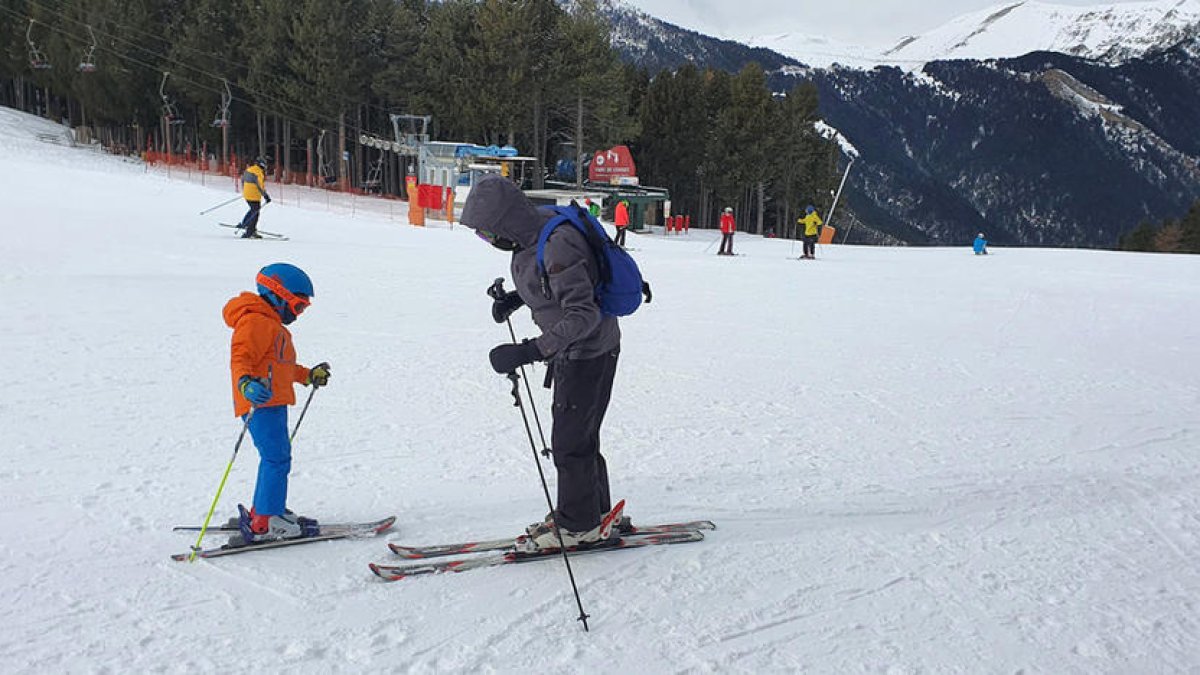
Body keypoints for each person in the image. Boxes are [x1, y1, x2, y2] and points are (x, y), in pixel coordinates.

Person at [460, 175, 625, 550]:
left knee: (569, 442)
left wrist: (529, 351)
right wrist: (518, 299)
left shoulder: (556, 242)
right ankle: (593, 513)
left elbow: (583, 314)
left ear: (506, 221)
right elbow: (557, 282)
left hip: (587, 351)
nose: (488, 241)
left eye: (488, 233)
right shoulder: (534, 231)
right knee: (580, 437)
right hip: (585, 349)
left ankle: (579, 525)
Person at [224, 262, 331, 542]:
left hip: (273, 400)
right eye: (297, 307)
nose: (299, 314)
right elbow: (240, 358)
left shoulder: (269, 324)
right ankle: (267, 522)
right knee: (277, 458)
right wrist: (245, 383)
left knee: (275, 458)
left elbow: (282, 366)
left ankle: (266, 510)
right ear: (276, 295)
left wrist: (308, 375)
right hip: (261, 403)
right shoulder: (255, 321)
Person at [238, 158, 272, 239]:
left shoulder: (249, 169)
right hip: (254, 196)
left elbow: (242, 180)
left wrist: (245, 190)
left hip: (247, 194)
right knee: (255, 213)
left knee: (253, 210)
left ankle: (245, 223)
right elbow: (260, 186)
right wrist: (266, 196)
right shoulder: (258, 173)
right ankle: (250, 232)